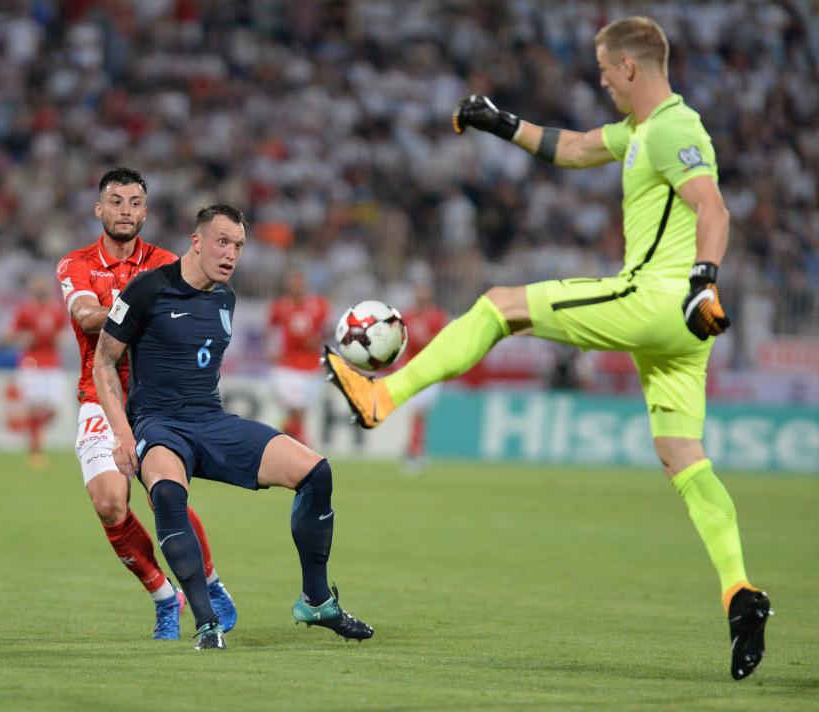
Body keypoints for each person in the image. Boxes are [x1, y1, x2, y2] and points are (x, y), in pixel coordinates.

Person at [322, 16, 771, 680]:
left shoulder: (676, 127)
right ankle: (739, 590)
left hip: (659, 299)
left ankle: (382, 396)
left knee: (499, 305)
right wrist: (500, 122)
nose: (598, 80)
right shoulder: (639, 132)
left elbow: (714, 208)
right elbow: (574, 147)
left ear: (630, 68)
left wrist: (704, 280)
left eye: (603, 68)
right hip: (683, 331)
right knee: (683, 455)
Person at [93, 204, 373, 650]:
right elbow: (104, 360)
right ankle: (207, 623)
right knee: (167, 492)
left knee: (316, 472)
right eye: (222, 242)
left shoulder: (226, 298)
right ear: (197, 240)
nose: (231, 254)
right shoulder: (148, 289)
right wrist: (123, 434)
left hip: (211, 420)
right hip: (159, 423)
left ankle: (315, 600)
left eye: (239, 245)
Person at [56, 167, 237, 641]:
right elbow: (84, 314)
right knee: (110, 502)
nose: (125, 211)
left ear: (145, 211)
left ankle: (211, 584)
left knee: (166, 495)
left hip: (158, 401)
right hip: (102, 396)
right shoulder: (74, 264)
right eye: (116, 201)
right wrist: (133, 306)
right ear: (99, 209)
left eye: (135, 202)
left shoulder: (166, 262)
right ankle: (164, 596)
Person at [8, 273, 67, 468]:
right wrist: (24, 337)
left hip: (52, 362)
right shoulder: (25, 310)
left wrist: (59, 338)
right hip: (31, 362)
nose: (41, 289)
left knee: (53, 409)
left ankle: (31, 431)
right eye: (37, 285)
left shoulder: (56, 310)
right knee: (34, 407)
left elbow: (65, 333)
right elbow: (11, 334)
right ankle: (36, 450)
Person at [266, 268, 331, 445]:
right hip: (288, 367)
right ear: (287, 284)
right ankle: (303, 444)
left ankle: (283, 440)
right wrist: (271, 349)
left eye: (299, 281)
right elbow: (270, 329)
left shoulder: (319, 304)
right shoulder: (280, 306)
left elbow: (327, 331)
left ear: (305, 283)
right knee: (297, 410)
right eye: (292, 282)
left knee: (300, 412)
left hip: (311, 367)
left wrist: (317, 340)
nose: (296, 286)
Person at [398, 281, 448, 473]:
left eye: (424, 290)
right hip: (413, 370)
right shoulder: (407, 316)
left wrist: (423, 339)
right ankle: (414, 452)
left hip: (431, 370)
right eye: (419, 290)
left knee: (421, 413)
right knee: (417, 412)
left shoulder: (437, 316)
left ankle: (415, 449)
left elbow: (440, 342)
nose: (421, 294)